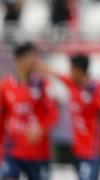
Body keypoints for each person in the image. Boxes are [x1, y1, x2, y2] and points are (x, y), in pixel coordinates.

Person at [0, 42, 58, 180]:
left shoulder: (43, 85)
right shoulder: (6, 86)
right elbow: (2, 117)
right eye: (30, 56)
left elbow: (53, 114)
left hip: (38, 152)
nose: (34, 60)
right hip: (12, 150)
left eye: (35, 56)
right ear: (18, 60)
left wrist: (41, 128)